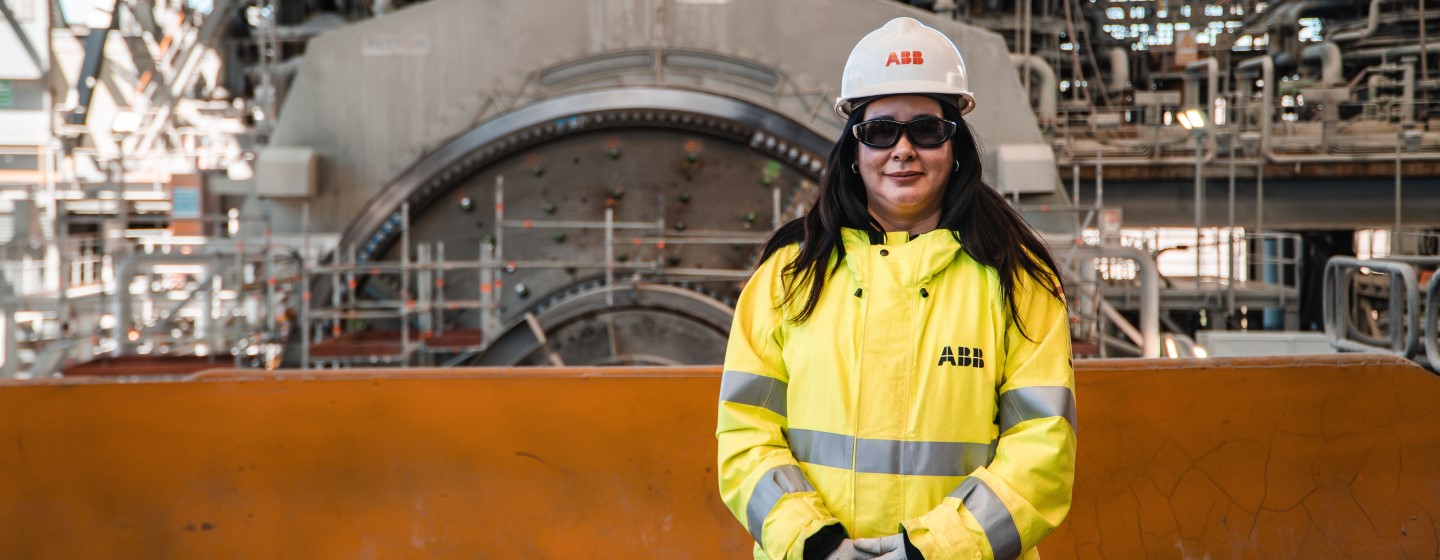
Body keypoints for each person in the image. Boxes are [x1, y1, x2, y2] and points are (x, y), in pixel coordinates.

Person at [716, 17, 1076, 560]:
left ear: (954, 146)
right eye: (881, 131)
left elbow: (1042, 452)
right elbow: (744, 438)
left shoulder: (1017, 282)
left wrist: (929, 552)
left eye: (926, 130)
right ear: (854, 150)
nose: (903, 149)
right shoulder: (787, 279)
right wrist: (816, 545)